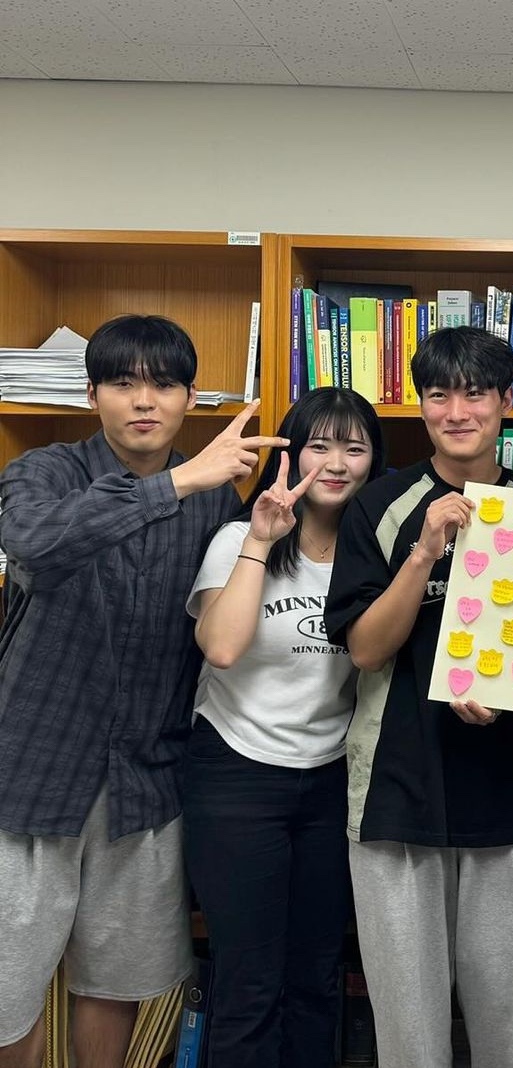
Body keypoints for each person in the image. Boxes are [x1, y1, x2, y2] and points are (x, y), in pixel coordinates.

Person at [0, 315, 286, 1068]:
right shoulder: (43, 471)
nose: (144, 400)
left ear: (190, 397)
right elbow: (34, 546)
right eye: (123, 382)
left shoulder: (215, 503)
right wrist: (177, 482)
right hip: (30, 774)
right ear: (91, 393)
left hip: (146, 780)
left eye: (163, 384)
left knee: (115, 981)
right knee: (8, 990)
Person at [323, 326, 513, 1068]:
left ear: (506, 400)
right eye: (439, 394)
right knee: (410, 1034)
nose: (457, 411)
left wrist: (503, 689)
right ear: (420, 405)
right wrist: (425, 550)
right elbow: (365, 648)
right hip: (397, 790)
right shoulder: (380, 505)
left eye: (475, 393)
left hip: (508, 792)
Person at [182, 387, 384, 1068]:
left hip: (332, 778)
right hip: (237, 773)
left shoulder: (374, 549)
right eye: (319, 446)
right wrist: (262, 541)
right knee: (249, 978)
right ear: (290, 453)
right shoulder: (239, 538)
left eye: (354, 448)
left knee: (317, 975)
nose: (337, 463)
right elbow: (221, 647)